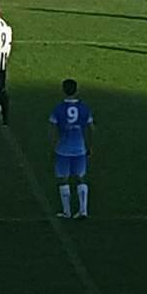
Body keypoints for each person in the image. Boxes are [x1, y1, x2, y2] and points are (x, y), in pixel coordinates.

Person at [47, 78, 94, 219]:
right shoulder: (84, 108)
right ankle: (83, 210)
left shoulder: (58, 109)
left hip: (62, 149)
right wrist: (89, 146)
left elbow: (52, 130)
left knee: (63, 179)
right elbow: (91, 128)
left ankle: (67, 212)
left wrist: (52, 147)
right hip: (79, 149)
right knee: (81, 178)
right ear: (77, 90)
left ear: (63, 90)